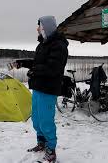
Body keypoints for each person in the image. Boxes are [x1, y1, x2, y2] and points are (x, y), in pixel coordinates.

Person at [15, 15, 69, 162]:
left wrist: (34, 71)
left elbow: (53, 68)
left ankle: (51, 150)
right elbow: (37, 62)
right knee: (37, 119)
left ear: (47, 28)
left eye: (40, 26)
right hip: (38, 88)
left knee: (46, 121)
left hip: (48, 89)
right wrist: (23, 63)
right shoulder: (43, 44)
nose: (38, 29)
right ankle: (42, 143)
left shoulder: (59, 45)